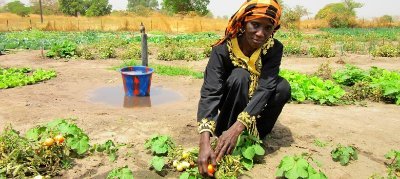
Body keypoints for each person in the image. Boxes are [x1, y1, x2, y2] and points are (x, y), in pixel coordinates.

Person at [196, 0, 291, 177]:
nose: (261, 33)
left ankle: (255, 136)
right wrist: (204, 140)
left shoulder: (274, 48)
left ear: (273, 29)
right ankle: (224, 134)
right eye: (255, 25)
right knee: (240, 76)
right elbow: (210, 92)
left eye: (268, 28)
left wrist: (238, 128)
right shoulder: (222, 49)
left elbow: (266, 87)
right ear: (243, 22)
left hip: (253, 108)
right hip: (229, 106)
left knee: (283, 87)